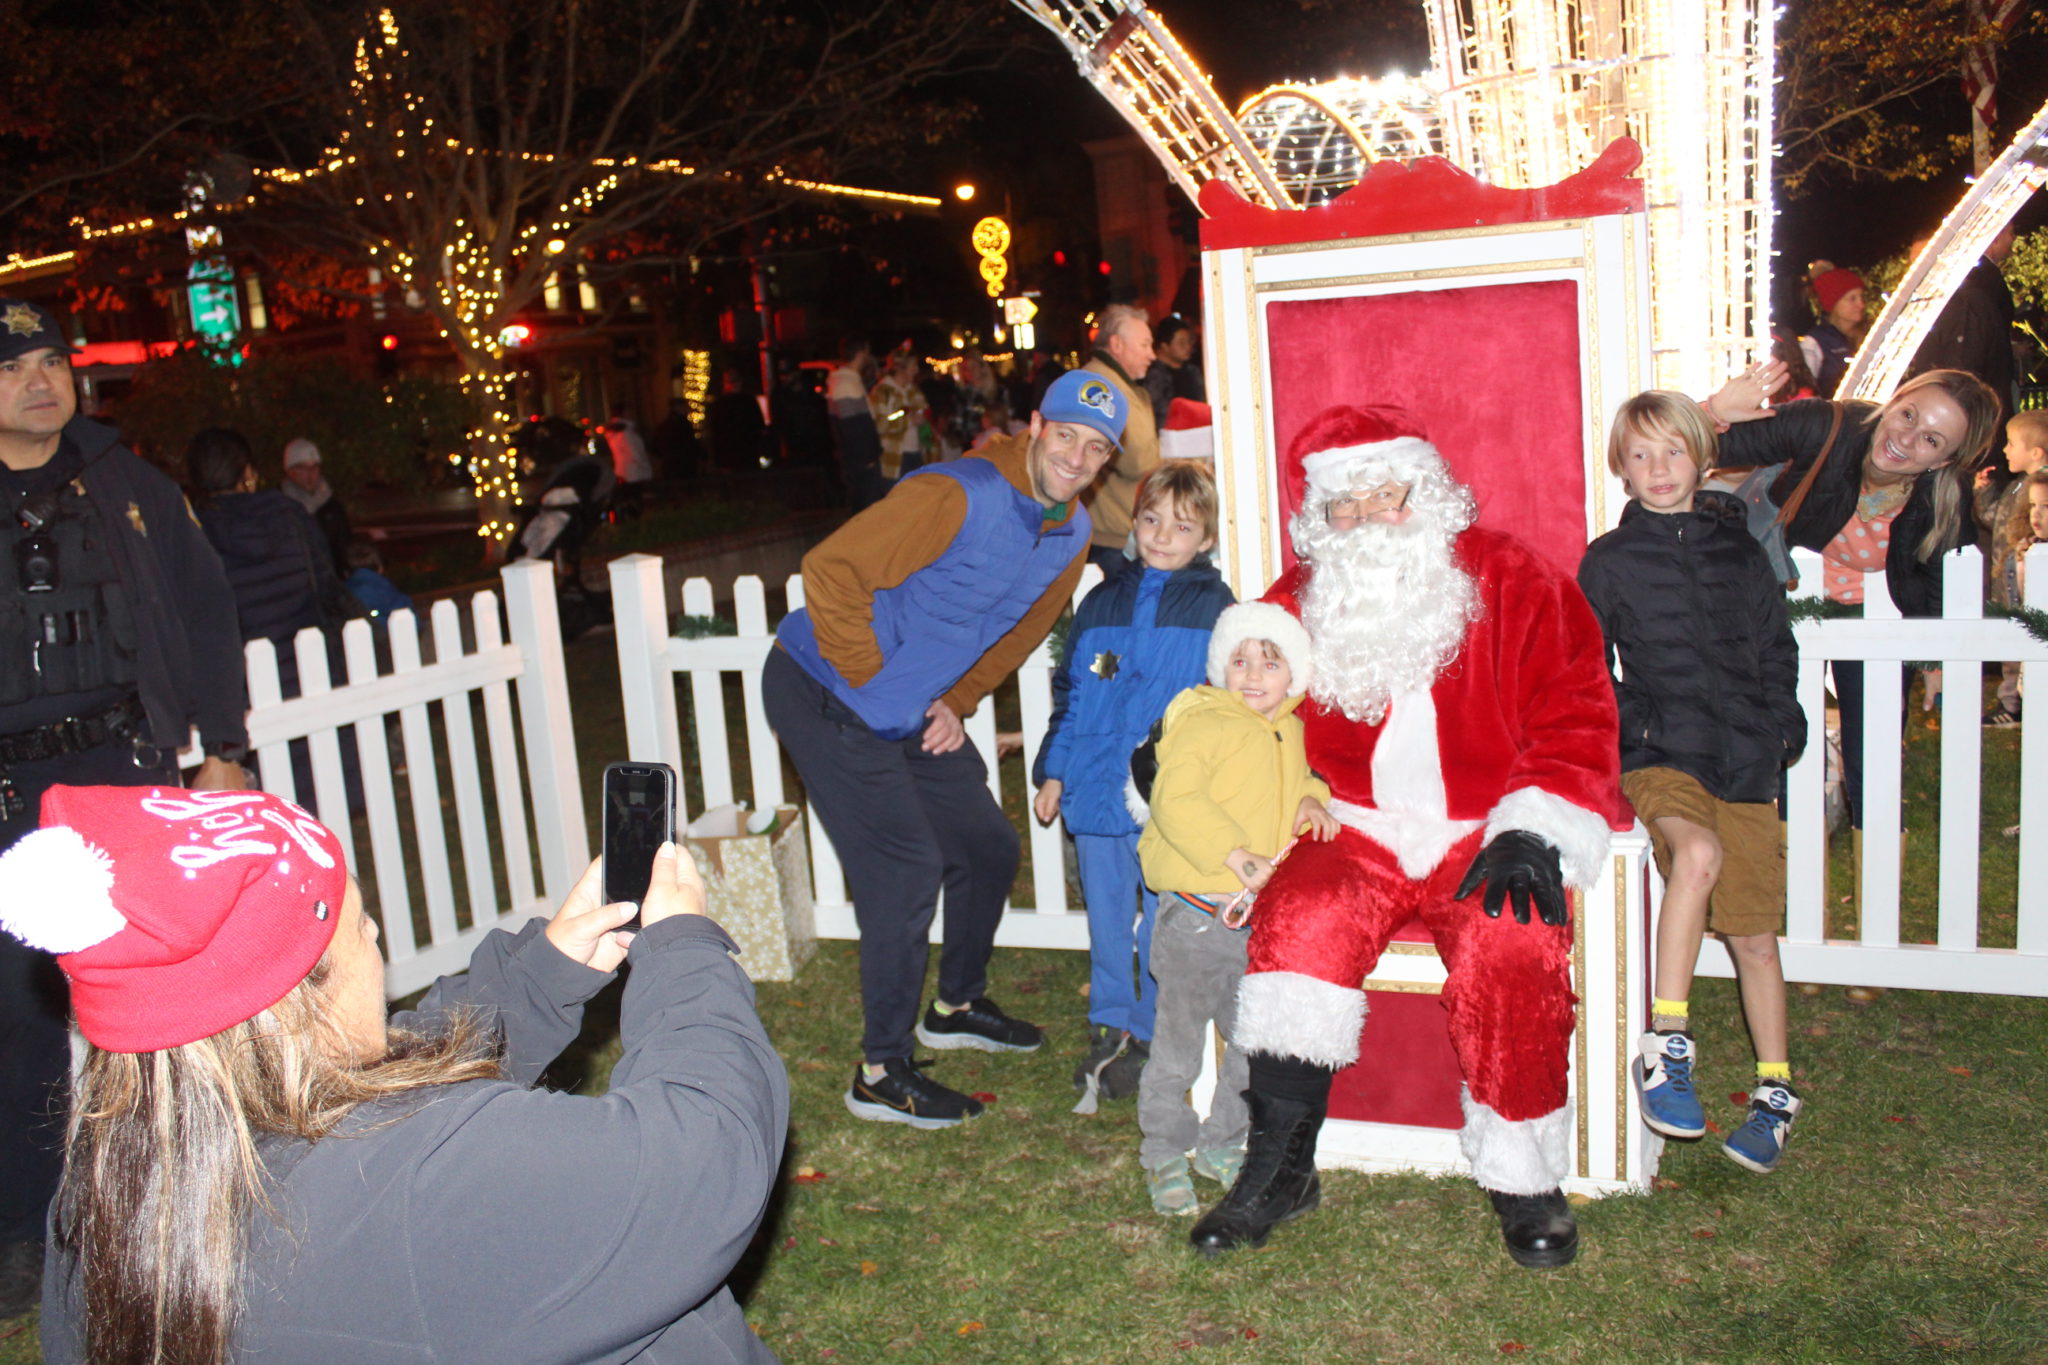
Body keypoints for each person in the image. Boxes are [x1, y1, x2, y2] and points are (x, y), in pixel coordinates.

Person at [0, 785, 787, 1362]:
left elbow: (383, 1068)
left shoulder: (108, 1195)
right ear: (293, 1003)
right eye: (364, 927)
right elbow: (706, 1149)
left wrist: (542, 970)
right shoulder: (425, 1184)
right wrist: (683, 945)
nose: (378, 942)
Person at [1185, 405, 1627, 1269]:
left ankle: (1524, 1174)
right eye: (1342, 507)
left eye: (1382, 494)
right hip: (1348, 826)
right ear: (1322, 518)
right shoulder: (1297, 601)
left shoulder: (1514, 578)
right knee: (1300, 918)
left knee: (1513, 937)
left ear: (1423, 490)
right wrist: (1181, 749)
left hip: (1484, 827)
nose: (1364, 520)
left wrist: (1532, 825)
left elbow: (1577, 710)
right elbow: (1238, 693)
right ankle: (1280, 1166)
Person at [763, 369, 1125, 1129]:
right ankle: (880, 1071)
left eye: (1096, 448)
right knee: (904, 868)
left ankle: (955, 1003)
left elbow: (1018, 633)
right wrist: (872, 681)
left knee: (987, 845)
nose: (1076, 457)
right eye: (1066, 435)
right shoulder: (956, 494)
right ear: (1036, 426)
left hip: (906, 705)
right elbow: (831, 569)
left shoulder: (1072, 531)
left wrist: (955, 702)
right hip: (822, 685)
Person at [0, 297, 250, 1321]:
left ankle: (185, 1199)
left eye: (52, 359)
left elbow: (204, 606)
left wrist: (224, 747)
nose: (40, 380)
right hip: (6, 789)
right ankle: (27, 1233)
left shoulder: (126, 482)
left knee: (155, 997)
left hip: (121, 770)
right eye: (12, 366)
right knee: (15, 1023)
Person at [1578, 392, 1809, 1175]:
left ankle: (1775, 1093)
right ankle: (1666, 1045)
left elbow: (1776, 645)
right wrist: (1619, 728)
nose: (1658, 469)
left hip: (1746, 755)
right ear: (1623, 468)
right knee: (1696, 854)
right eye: (1639, 456)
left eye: (1672, 451)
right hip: (1662, 751)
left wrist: (1783, 723)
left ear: (1702, 458)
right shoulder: (1608, 559)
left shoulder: (1741, 548)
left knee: (1753, 937)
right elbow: (1588, 665)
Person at [1709, 365, 2001, 830]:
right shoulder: (1826, 426)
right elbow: (1696, 447)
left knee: (1875, 749)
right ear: (1895, 397)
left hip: (1875, 621)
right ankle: (1782, 845)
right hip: (1789, 602)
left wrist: (1935, 661)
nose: (1906, 440)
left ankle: (1877, 845)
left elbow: (1942, 575)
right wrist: (1714, 412)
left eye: (1931, 440)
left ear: (1943, 461)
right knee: (1780, 736)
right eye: (1908, 415)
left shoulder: (1944, 494)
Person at [1031, 463, 1235, 1108]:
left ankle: (1152, 1031)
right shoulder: (1101, 601)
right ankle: (1110, 1023)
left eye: (1181, 526)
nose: (1162, 536)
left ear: (1204, 537)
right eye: (1151, 520)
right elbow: (1071, 694)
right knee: (1110, 915)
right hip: (1094, 786)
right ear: (1134, 521)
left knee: (1162, 921)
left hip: (1165, 798)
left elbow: (1225, 708)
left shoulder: (1215, 607)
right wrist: (1055, 770)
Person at [1132, 604, 1333, 1215]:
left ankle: (1223, 1143)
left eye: (1268, 663)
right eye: (1239, 660)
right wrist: (1236, 856)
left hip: (1254, 921)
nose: (1251, 674)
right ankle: (1165, 1152)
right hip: (1196, 912)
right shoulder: (1203, 720)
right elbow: (1176, 796)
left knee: (1252, 1044)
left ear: (1292, 675)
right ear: (1220, 667)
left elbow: (1301, 778)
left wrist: (1314, 800)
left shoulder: (1290, 729)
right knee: (1177, 1044)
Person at [188, 428, 364, 816]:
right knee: (326, 789)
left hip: (248, 682)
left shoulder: (193, 534)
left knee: (275, 807)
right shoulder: (289, 516)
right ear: (247, 473)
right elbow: (324, 580)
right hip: (307, 664)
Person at [1082, 304, 1161, 575]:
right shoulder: (1103, 387)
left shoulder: (1116, 384)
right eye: (1144, 345)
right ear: (1116, 344)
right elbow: (1137, 460)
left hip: (1116, 528)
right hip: (1113, 535)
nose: (1152, 355)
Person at [1912, 223, 2016, 428]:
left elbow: (1961, 372)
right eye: (1914, 263)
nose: (1916, 272)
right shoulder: (1961, 298)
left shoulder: (1964, 303)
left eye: (1924, 261)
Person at [1982, 412, 2048, 726]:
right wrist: (1983, 495)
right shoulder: (2015, 487)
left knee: (2023, 642)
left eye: (2011, 444)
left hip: (2025, 577)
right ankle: (2012, 699)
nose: (2005, 451)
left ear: (2036, 453)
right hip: (2006, 576)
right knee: (2012, 640)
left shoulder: (2038, 490)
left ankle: (2015, 703)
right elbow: (1998, 519)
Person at [280, 437, 354, 575]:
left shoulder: (332, 507)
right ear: (290, 471)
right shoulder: (279, 507)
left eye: (315, 467)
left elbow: (345, 549)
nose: (311, 474)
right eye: (303, 468)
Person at [828, 338, 884, 509]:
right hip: (861, 460)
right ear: (861, 353)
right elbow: (852, 427)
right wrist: (867, 458)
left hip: (858, 458)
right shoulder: (846, 383)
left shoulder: (849, 381)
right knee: (866, 508)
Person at [869, 347, 931, 487]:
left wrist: (923, 418)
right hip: (896, 459)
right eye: (913, 365)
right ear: (900, 368)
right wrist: (909, 420)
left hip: (916, 454)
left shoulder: (913, 390)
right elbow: (881, 425)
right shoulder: (883, 392)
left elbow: (924, 411)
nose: (917, 370)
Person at [1800, 268, 1865, 397]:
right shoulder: (1815, 342)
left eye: (1862, 297)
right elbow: (1805, 394)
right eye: (1852, 298)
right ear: (1834, 304)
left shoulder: (1867, 336)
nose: (1861, 304)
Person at [1142, 315, 1205, 427]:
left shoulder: (1193, 372)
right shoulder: (1150, 375)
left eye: (1189, 342)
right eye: (1181, 343)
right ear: (1165, 346)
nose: (1188, 347)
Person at [603, 403, 654, 510]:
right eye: (628, 411)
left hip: (624, 472)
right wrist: (646, 465)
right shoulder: (625, 433)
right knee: (636, 502)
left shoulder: (615, 432)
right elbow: (635, 453)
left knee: (628, 500)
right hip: (635, 472)